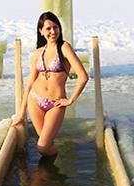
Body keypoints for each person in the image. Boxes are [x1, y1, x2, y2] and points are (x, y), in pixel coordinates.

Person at [14, 11, 89, 160]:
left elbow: (83, 76)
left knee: (42, 146)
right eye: (48, 28)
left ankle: (57, 158)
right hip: (35, 99)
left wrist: (70, 100)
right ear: (41, 31)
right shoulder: (37, 53)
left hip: (56, 103)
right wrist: (22, 112)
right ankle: (48, 175)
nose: (53, 31)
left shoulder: (64, 48)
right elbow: (30, 83)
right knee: (45, 143)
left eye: (56, 27)